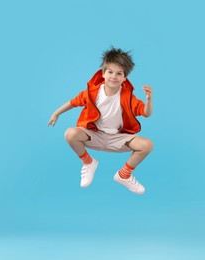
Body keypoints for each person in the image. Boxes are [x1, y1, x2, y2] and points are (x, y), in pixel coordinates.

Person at [47, 47, 153, 194]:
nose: (113, 77)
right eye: (110, 72)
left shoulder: (128, 97)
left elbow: (146, 113)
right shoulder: (93, 93)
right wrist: (56, 113)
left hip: (118, 138)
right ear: (103, 74)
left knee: (146, 145)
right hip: (94, 135)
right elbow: (73, 102)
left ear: (124, 78)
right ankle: (88, 162)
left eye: (119, 73)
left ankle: (124, 175)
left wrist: (148, 100)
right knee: (70, 134)